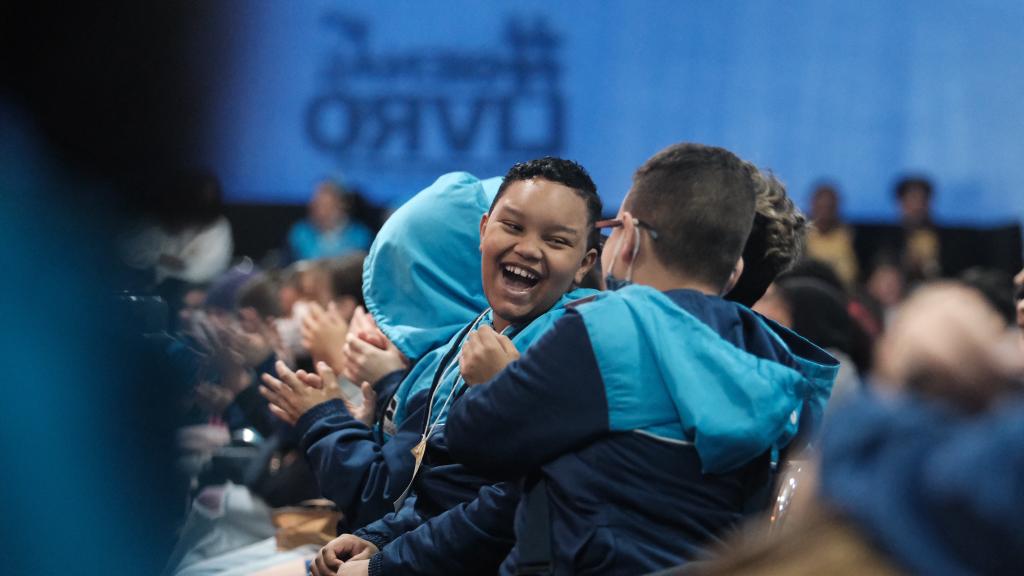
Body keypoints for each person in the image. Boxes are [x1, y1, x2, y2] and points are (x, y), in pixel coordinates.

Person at [444, 143, 839, 575]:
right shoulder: (778, 357)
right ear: (734, 272)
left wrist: (498, 382)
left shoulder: (608, 329)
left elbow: (471, 438)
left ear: (628, 237)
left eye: (611, 227)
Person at [261, 158, 602, 564]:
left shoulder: (576, 345)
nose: (527, 248)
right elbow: (438, 490)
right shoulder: (474, 337)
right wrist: (377, 540)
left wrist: (324, 418)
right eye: (512, 226)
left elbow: (504, 507)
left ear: (585, 263)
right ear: (482, 229)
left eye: (556, 240)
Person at [288, 180, 374, 262]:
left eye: (325, 206)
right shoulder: (300, 233)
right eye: (316, 205)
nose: (319, 212)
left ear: (342, 205)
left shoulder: (361, 236)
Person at [804, 182, 858, 288]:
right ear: (812, 205)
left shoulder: (850, 237)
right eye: (821, 206)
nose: (825, 212)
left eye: (829, 207)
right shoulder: (801, 237)